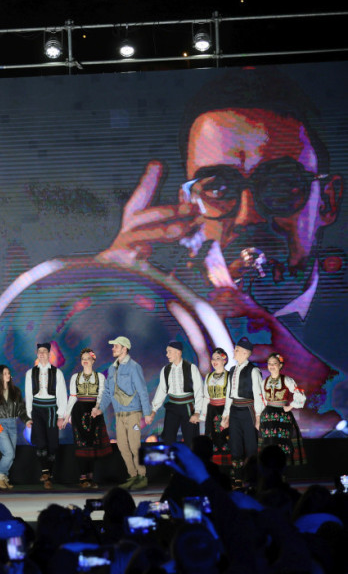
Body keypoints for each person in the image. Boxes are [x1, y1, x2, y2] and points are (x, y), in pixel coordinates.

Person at [99, 68, 344, 432]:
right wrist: (104, 296)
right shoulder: (154, 321)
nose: (248, 217)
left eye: (280, 184)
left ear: (326, 201)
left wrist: (329, 390)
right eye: (217, 187)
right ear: (187, 203)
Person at [94, 336, 151, 490]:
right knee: (122, 446)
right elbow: (107, 392)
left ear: (124, 349)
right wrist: (100, 408)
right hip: (119, 415)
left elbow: (142, 390)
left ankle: (142, 476)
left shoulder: (134, 367)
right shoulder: (112, 369)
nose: (113, 349)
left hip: (133, 413)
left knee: (134, 446)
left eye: (116, 347)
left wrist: (147, 412)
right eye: (113, 347)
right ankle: (132, 476)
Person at [63, 348, 112, 489]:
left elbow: (102, 395)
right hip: (79, 412)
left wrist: (97, 409)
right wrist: (66, 416)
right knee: (81, 443)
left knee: (93, 445)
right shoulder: (75, 377)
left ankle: (91, 477)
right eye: (83, 358)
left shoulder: (100, 377)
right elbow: (72, 397)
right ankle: (82, 476)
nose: (85, 360)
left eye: (88, 358)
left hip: (94, 412)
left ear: (93, 360)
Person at [220, 337, 265, 488]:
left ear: (246, 354)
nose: (234, 352)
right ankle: (238, 477)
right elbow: (228, 394)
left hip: (248, 410)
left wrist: (258, 417)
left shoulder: (253, 371)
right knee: (236, 444)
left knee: (251, 446)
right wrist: (226, 415)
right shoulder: (232, 370)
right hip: (235, 410)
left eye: (237, 350)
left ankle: (253, 478)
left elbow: (259, 394)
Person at [24, 342, 68, 489]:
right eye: (39, 351)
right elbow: (29, 395)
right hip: (37, 408)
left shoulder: (57, 372)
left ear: (49, 354)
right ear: (37, 354)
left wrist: (61, 415)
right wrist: (29, 416)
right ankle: (46, 473)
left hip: (51, 409)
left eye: (44, 351)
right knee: (41, 443)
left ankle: (49, 472)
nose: (42, 353)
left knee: (52, 445)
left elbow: (62, 395)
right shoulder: (31, 373)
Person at [146, 341, 206, 445]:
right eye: (167, 352)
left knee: (190, 437)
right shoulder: (166, 370)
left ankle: (190, 459)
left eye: (169, 352)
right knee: (168, 436)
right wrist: (154, 410)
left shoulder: (191, 368)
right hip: (173, 405)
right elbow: (162, 390)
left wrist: (197, 412)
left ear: (178, 353)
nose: (167, 355)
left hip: (188, 406)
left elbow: (199, 391)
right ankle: (170, 458)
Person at [260, 352, 307, 466]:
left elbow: (299, 394)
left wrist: (290, 406)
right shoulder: (264, 382)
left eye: (274, 363)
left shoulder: (287, 380)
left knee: (283, 442)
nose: (271, 366)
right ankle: (270, 468)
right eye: (269, 363)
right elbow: (261, 399)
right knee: (269, 442)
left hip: (282, 415)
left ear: (280, 365)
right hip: (268, 416)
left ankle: (283, 469)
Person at [198, 347, 232, 466]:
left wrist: (226, 414)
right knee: (211, 436)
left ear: (224, 360)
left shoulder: (229, 376)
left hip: (224, 408)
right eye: (213, 358)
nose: (214, 361)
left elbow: (230, 397)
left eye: (218, 358)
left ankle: (227, 467)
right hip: (211, 409)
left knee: (224, 437)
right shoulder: (209, 376)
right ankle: (212, 465)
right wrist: (202, 414)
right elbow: (206, 397)